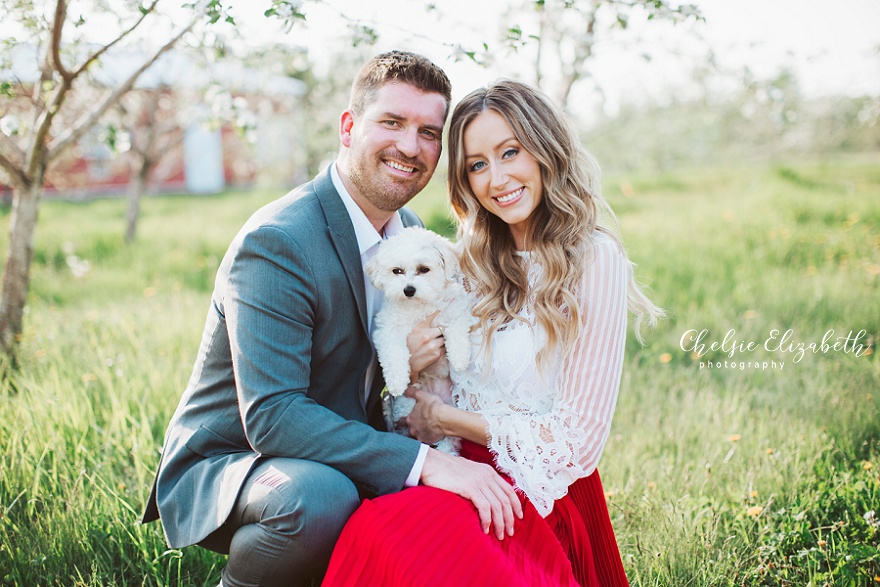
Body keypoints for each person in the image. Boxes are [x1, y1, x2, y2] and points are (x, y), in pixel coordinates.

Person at [140, 52, 523, 587]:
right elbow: (272, 415)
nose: (410, 147)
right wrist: (423, 462)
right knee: (322, 499)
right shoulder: (278, 241)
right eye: (391, 122)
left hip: (342, 435)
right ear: (349, 126)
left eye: (428, 132)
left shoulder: (407, 229)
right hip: (240, 460)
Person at [321, 79, 664, 587]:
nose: (497, 178)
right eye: (477, 165)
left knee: (406, 537)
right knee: (377, 529)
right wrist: (413, 373)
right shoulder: (467, 258)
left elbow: (578, 444)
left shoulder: (593, 259)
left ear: (545, 151)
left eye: (510, 152)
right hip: (451, 464)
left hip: (536, 484)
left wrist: (443, 418)